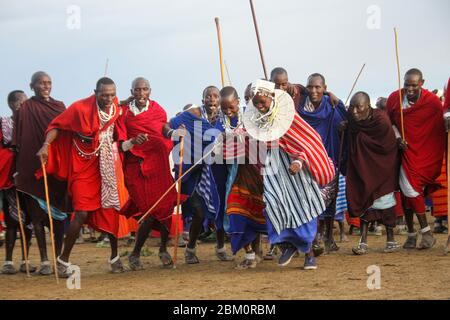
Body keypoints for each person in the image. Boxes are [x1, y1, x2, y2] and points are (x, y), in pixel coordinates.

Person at [37, 77, 125, 277]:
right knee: (82, 211)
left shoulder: (115, 105)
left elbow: (121, 106)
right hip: (82, 165)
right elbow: (56, 126)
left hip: (104, 163)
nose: (108, 98)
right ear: (95, 92)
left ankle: (114, 256)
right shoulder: (79, 108)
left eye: (112, 94)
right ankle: (63, 260)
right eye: (104, 95)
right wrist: (46, 145)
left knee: (111, 209)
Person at [243, 79, 335, 270]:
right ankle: (288, 245)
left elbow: (308, 142)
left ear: (271, 98)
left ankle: (309, 254)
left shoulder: (289, 116)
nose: (259, 106)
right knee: (273, 203)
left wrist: (299, 161)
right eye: (256, 103)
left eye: (263, 102)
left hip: (296, 169)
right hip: (272, 166)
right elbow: (249, 138)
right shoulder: (254, 120)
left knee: (303, 205)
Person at [115, 77, 179, 269]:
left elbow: (163, 128)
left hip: (158, 164)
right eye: (138, 90)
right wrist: (134, 141)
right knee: (149, 209)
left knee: (165, 206)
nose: (142, 93)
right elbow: (121, 144)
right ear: (132, 91)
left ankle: (162, 249)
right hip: (135, 167)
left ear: (150, 91)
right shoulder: (123, 113)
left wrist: (173, 134)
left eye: (145, 89)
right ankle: (135, 252)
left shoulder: (158, 109)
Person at [13, 72, 70, 275]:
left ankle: (59, 259)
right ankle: (45, 260)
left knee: (59, 217)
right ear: (32, 86)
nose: (46, 86)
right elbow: (18, 141)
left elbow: (66, 132)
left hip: (56, 166)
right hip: (32, 166)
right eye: (41, 83)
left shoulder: (60, 106)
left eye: (48, 83)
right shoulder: (25, 109)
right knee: (37, 217)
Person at [386, 68, 448, 249]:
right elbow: (389, 123)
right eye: (407, 85)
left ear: (422, 83)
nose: (410, 89)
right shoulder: (394, 99)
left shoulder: (432, 102)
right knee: (406, 192)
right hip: (401, 151)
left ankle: (425, 233)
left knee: (411, 190)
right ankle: (414, 234)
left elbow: (437, 130)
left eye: (414, 85)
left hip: (425, 153)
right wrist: (397, 137)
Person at [165, 102, 231, 263]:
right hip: (194, 171)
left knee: (220, 209)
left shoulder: (227, 117)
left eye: (216, 97)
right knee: (199, 212)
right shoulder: (193, 114)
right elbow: (168, 124)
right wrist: (173, 132)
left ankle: (220, 247)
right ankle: (190, 249)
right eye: (209, 96)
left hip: (217, 172)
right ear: (203, 100)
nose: (213, 100)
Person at [297, 73, 347, 253]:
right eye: (310, 87)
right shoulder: (300, 106)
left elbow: (346, 123)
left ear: (324, 88)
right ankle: (315, 237)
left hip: (329, 159)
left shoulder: (333, 106)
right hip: (308, 160)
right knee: (311, 198)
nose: (313, 91)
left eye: (318, 87)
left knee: (330, 199)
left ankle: (329, 237)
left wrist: (342, 128)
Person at [346, 92, 400, 254]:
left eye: (359, 107)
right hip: (362, 168)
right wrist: (345, 127)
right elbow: (352, 136)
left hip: (383, 168)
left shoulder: (381, 120)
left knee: (385, 202)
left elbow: (386, 146)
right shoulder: (353, 119)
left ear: (368, 107)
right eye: (352, 107)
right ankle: (363, 242)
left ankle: (391, 240)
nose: (354, 111)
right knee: (363, 200)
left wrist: (360, 137)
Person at [218, 86, 266, 269]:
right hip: (234, 175)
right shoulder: (220, 122)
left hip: (255, 173)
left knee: (254, 212)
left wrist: (244, 137)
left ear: (238, 102)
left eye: (231, 107)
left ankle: (257, 252)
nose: (228, 111)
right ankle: (250, 254)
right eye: (225, 109)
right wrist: (221, 140)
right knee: (236, 212)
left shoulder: (252, 118)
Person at [1, 90, 37, 274]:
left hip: (28, 180)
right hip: (10, 179)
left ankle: (25, 260)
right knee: (12, 221)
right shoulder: (4, 124)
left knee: (28, 221)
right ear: (13, 105)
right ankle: (7, 261)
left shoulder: (31, 125)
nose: (25, 106)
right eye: (22, 103)